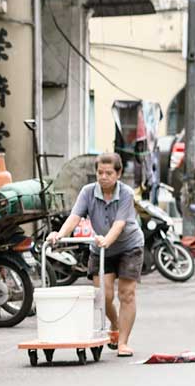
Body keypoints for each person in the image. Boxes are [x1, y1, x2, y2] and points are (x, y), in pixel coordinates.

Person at [47, 152, 145, 357]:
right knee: (104, 295)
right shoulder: (88, 192)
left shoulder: (126, 193)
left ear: (118, 174)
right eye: (100, 172)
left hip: (128, 246)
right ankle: (115, 324)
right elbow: (75, 217)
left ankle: (123, 342)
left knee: (126, 293)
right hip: (100, 247)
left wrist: (107, 240)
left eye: (109, 173)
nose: (103, 177)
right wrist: (60, 235)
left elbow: (120, 224)